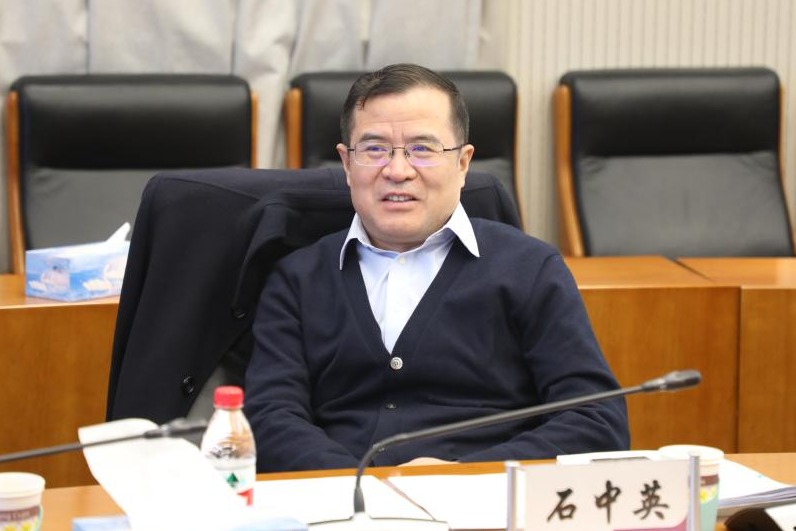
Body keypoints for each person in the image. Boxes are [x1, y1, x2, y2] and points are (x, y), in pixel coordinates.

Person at [244, 63, 629, 472]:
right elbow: (269, 419)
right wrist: (360, 484)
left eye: (422, 150)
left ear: (463, 163)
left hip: (484, 500)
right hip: (339, 500)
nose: (397, 171)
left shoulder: (531, 270)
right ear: (346, 164)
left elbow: (596, 420)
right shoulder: (298, 279)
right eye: (374, 150)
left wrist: (460, 475)